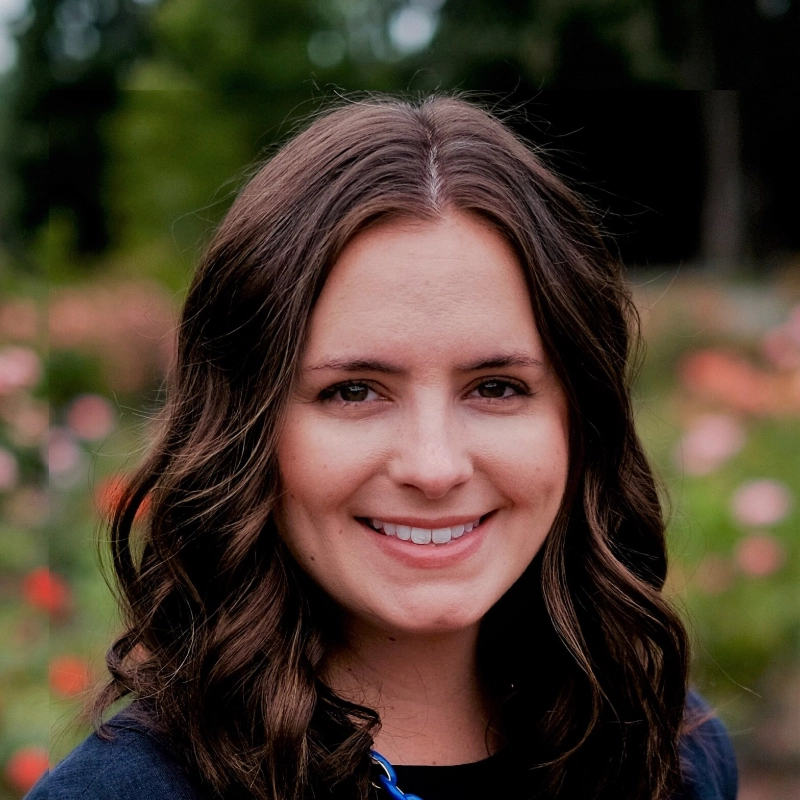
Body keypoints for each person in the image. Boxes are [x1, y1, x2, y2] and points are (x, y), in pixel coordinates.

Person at [29, 95, 737, 800]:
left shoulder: (675, 758)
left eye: (496, 387)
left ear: (581, 421)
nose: (434, 467)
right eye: (354, 391)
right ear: (248, 430)